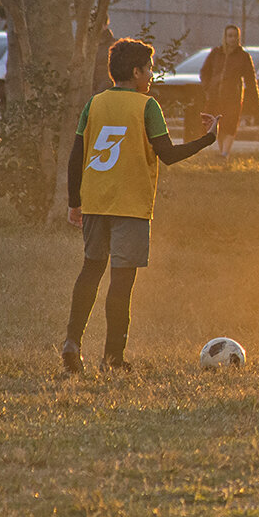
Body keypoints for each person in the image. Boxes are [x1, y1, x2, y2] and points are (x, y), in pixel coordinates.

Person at [61, 38, 219, 374]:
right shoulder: (147, 107)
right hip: (130, 205)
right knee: (121, 281)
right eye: (149, 68)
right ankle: (113, 358)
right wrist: (208, 139)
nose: (151, 74)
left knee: (90, 270)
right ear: (136, 72)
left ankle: (72, 343)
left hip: (95, 202)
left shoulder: (94, 104)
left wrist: (75, 202)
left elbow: (77, 157)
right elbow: (168, 154)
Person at [200, 24, 259, 159]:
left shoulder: (243, 56)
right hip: (215, 95)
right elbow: (204, 71)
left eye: (235, 36)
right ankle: (222, 153)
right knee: (216, 124)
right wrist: (207, 86)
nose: (232, 39)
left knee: (230, 124)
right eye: (230, 36)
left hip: (233, 96)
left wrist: (255, 99)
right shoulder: (216, 53)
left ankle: (225, 153)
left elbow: (251, 79)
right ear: (225, 37)